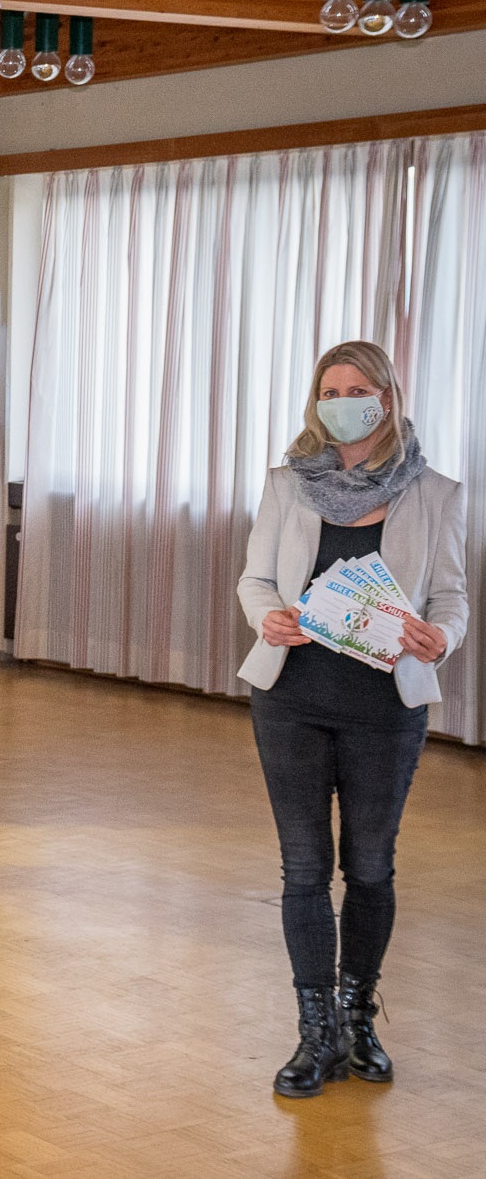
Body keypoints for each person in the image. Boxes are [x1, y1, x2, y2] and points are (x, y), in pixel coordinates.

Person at [237, 340, 467, 1099]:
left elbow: (451, 598)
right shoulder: (287, 483)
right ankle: (317, 1034)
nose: (342, 403)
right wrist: (267, 616)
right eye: (329, 391)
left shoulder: (435, 492)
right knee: (304, 868)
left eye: (357, 390)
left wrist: (443, 637)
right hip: (291, 700)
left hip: (384, 709)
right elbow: (256, 578)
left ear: (386, 399)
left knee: (369, 865)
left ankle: (357, 1014)